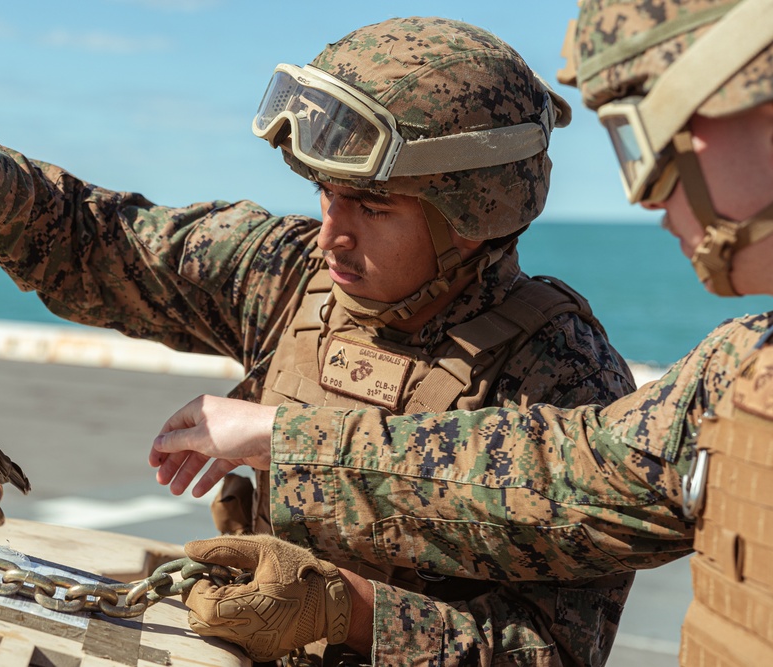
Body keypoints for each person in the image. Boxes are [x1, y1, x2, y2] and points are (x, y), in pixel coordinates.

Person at [0, 16, 637, 667]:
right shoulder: (289, 271)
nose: (333, 234)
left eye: (372, 206)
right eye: (325, 194)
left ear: (472, 214)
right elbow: (104, 241)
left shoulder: (565, 379)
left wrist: (349, 612)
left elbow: (550, 651)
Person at [150, 0, 773, 664]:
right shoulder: (742, 373)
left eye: (648, 134)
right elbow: (573, 471)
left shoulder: (570, 367)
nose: (646, 194)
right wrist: (282, 444)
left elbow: (559, 531)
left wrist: (347, 610)